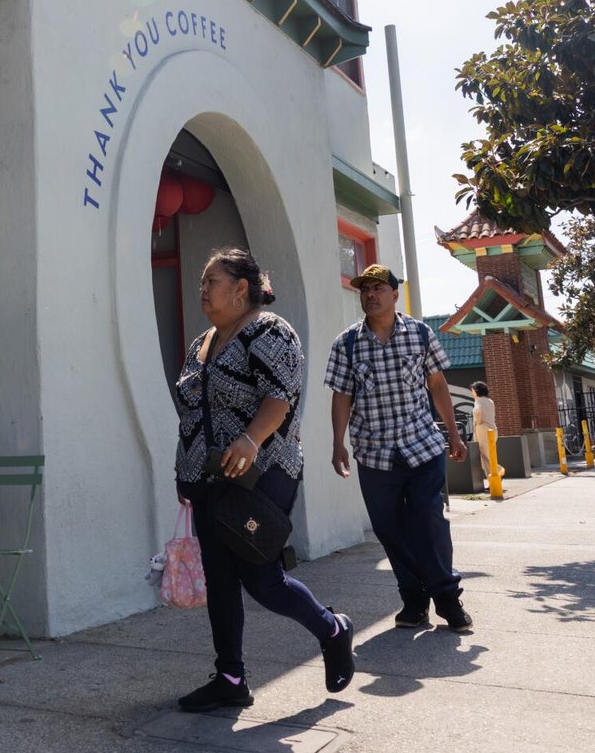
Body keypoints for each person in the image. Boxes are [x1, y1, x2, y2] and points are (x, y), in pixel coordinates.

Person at [173, 247, 354, 713]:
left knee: (263, 580)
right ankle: (230, 677)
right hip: (206, 478)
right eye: (202, 282)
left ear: (241, 289)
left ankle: (333, 629)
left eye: (212, 281)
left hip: (263, 471)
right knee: (219, 580)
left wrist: (250, 440)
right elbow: (194, 410)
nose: (203, 289)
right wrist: (184, 471)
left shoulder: (270, 331)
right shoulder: (201, 343)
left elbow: (280, 398)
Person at [327, 263, 473, 633]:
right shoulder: (346, 343)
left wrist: (454, 434)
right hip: (374, 454)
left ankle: (447, 598)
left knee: (429, 520)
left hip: (422, 447)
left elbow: (438, 386)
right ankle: (413, 599)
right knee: (389, 529)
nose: (370, 295)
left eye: (378, 288)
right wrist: (337, 442)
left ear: (395, 294)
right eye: (364, 289)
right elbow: (342, 396)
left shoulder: (421, 334)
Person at [469, 381, 504, 481]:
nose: (472, 393)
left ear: (476, 391)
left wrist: (477, 421)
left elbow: (478, 411)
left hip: (482, 430)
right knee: (490, 454)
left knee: (485, 456)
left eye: (472, 391)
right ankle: (495, 476)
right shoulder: (490, 401)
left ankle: (497, 473)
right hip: (492, 429)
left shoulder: (478, 401)